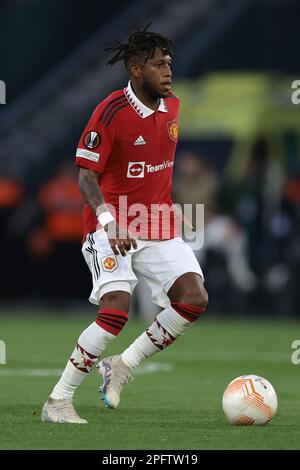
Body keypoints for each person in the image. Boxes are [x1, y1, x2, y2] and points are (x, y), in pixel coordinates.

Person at [41, 22, 208, 424]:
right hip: (110, 225)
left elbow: (155, 169)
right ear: (136, 69)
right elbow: (85, 175)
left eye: (169, 63)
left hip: (156, 222)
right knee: (116, 312)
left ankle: (124, 364)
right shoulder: (110, 111)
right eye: (158, 65)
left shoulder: (173, 107)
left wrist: (173, 206)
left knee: (193, 298)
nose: (168, 71)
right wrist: (107, 220)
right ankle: (57, 402)